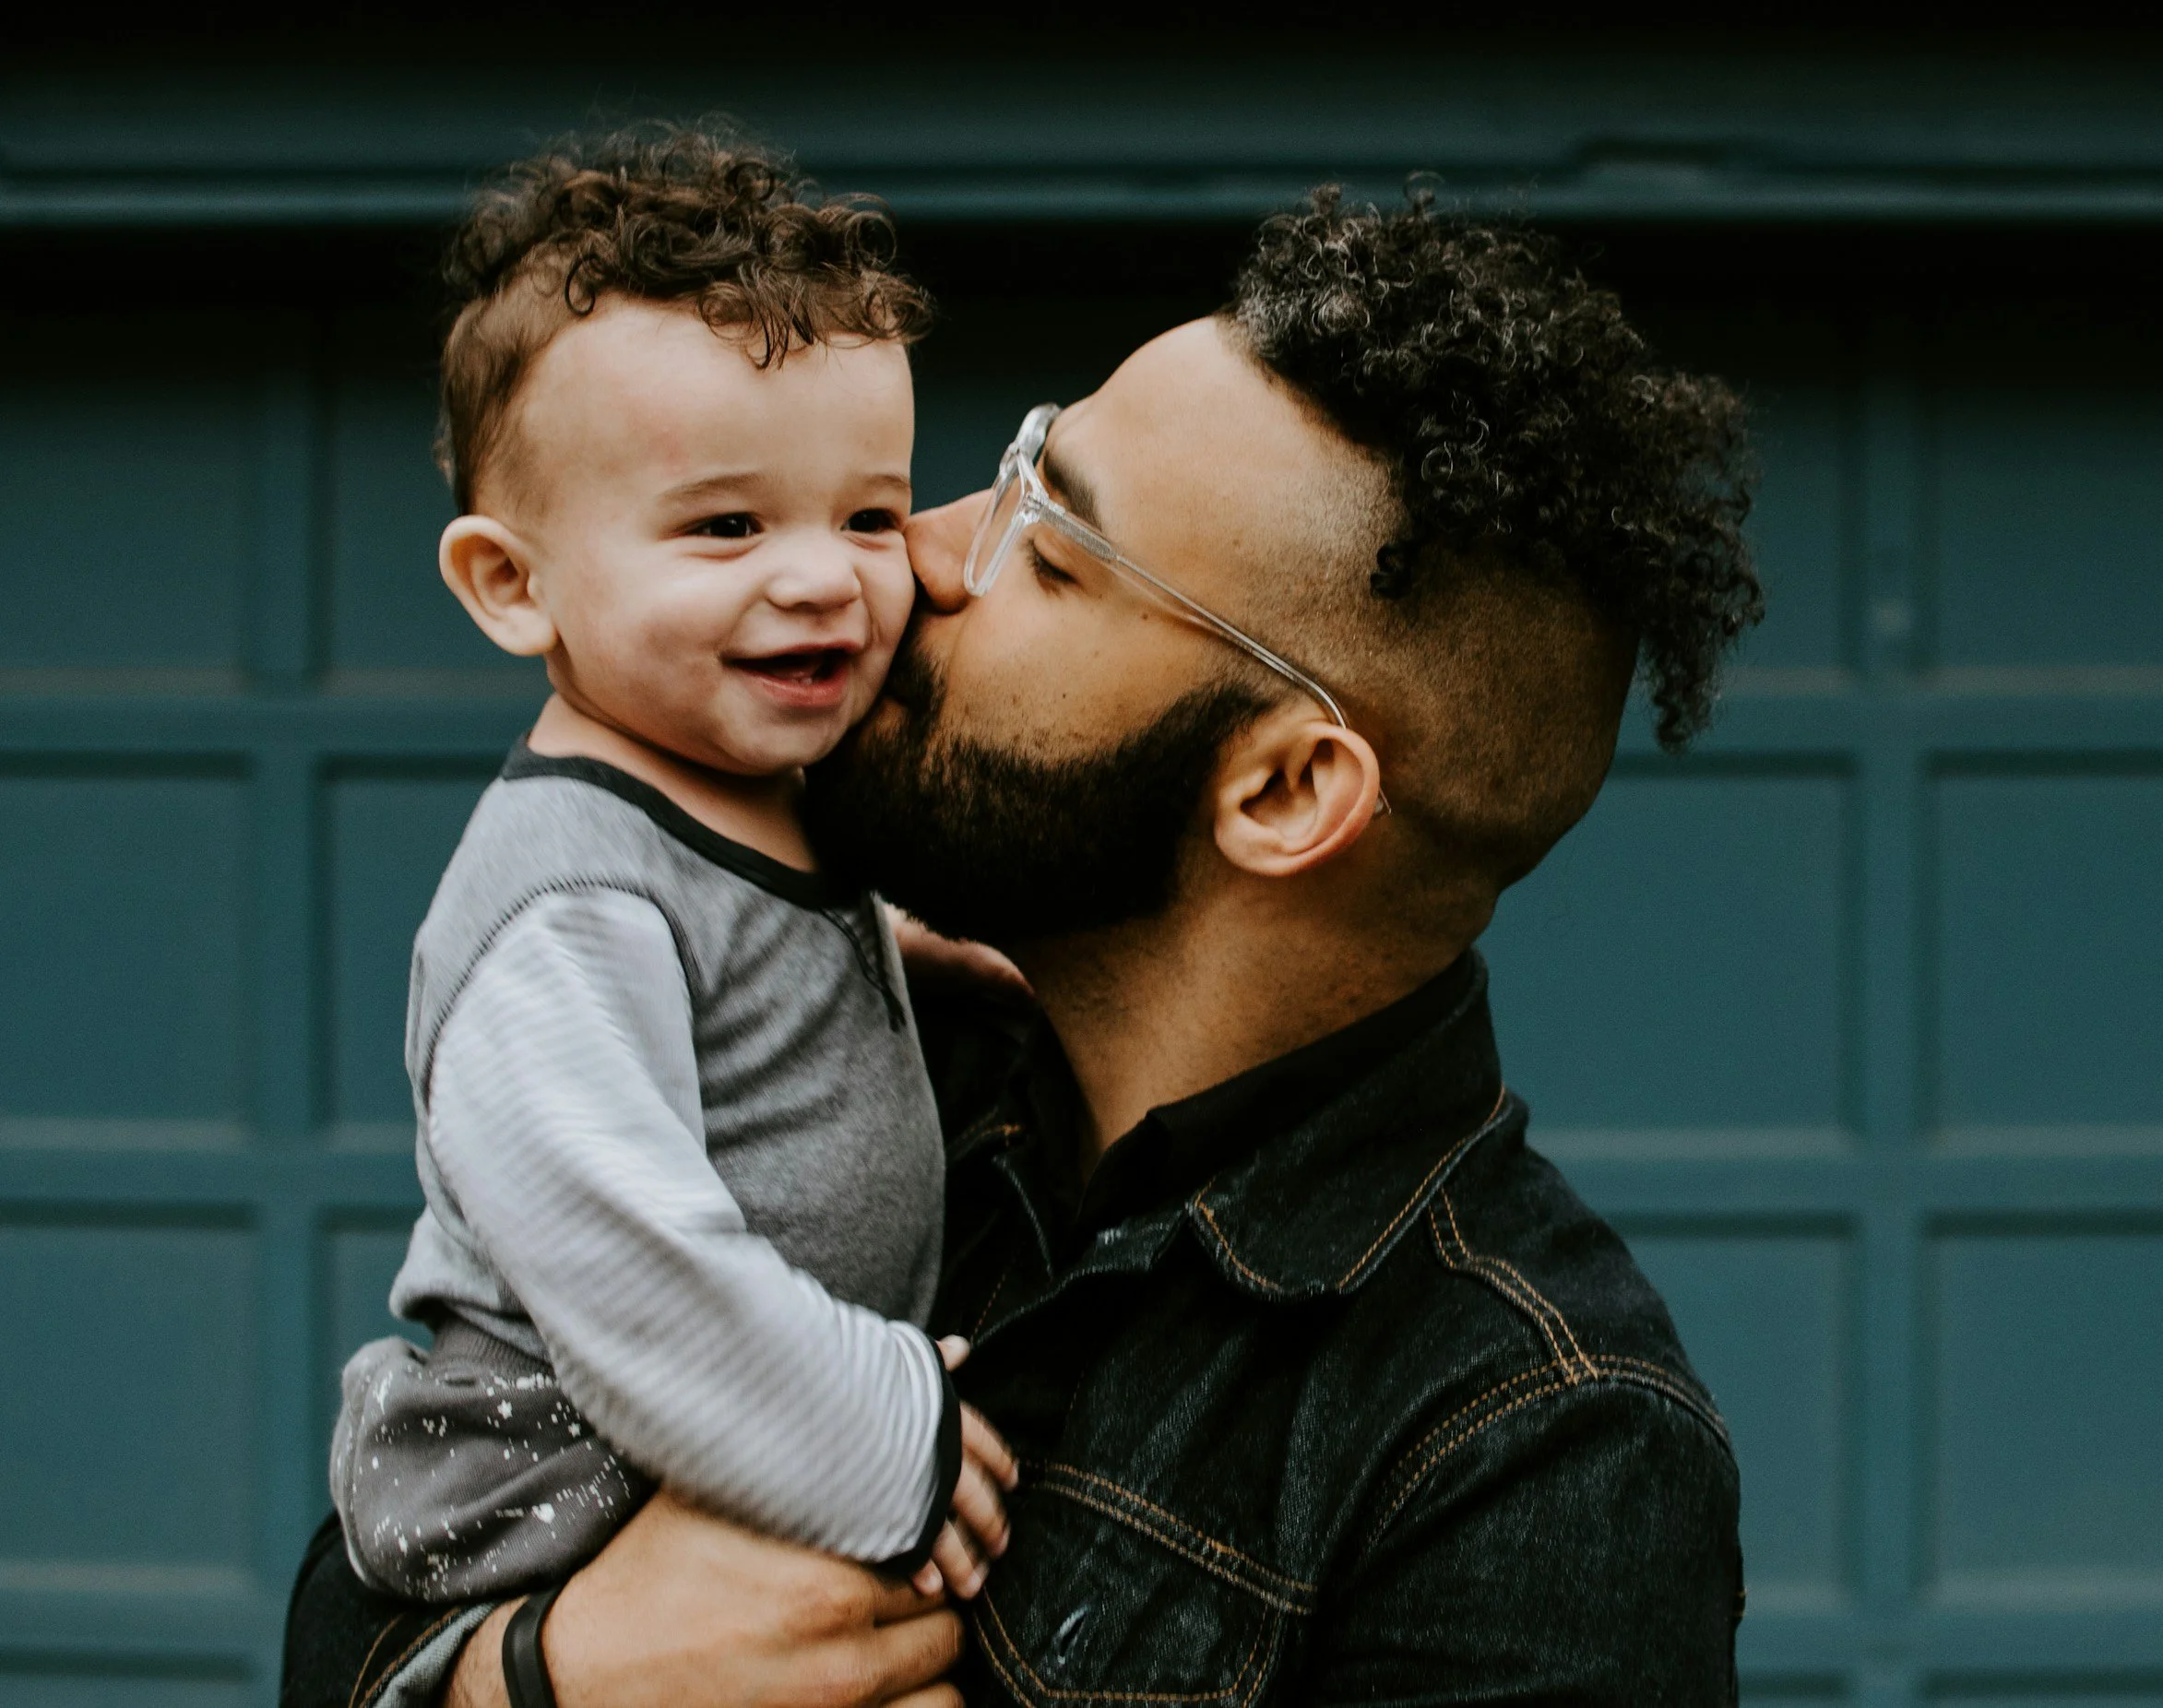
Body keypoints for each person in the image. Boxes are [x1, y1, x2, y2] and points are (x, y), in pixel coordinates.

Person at [285, 183, 1765, 1708]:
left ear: (1283, 788)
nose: (909, 560)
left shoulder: (1534, 1448)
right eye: (1001, 482)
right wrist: (538, 1680)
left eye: (1050, 553)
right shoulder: (849, 1058)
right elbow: (366, 1582)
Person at [324, 124, 1013, 1619]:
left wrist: (901, 954)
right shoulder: (565, 908)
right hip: (552, 1481)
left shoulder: (754, 792)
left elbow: (748, 962)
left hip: (714, 1445)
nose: (824, 574)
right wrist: (884, 1437)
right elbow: (628, 1258)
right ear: (514, 585)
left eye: (870, 516)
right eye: (726, 525)